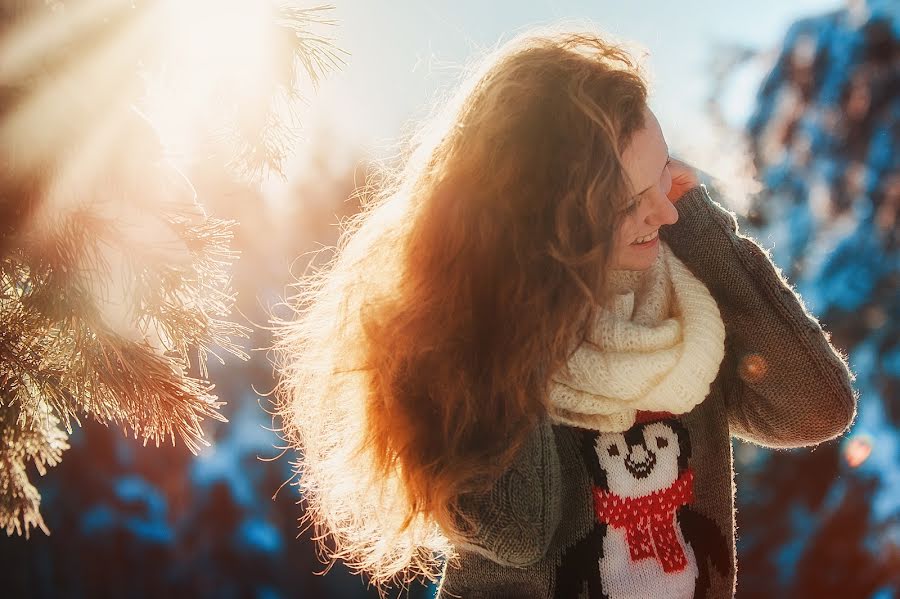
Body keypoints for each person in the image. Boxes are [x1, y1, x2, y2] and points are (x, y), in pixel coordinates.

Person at [274, 28, 857, 599]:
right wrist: (520, 312)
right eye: (630, 201)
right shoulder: (462, 339)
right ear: (544, 216)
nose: (667, 213)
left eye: (664, 175)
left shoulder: (682, 312)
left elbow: (817, 408)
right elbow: (516, 530)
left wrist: (706, 233)